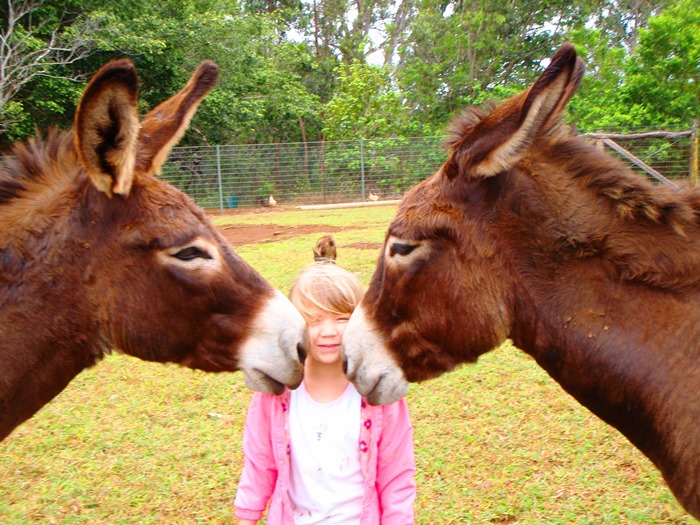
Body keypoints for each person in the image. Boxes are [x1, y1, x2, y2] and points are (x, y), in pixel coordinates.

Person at [234, 262, 416, 524]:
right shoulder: (275, 393)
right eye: (313, 320)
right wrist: (247, 517)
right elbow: (259, 463)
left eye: (342, 318)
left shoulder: (380, 393)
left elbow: (396, 475)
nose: (329, 331)